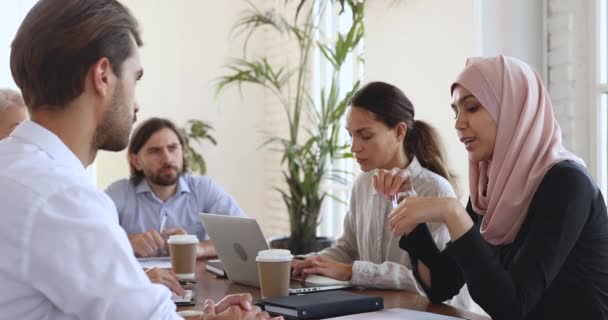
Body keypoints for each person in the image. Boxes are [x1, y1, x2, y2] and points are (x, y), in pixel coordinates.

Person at [0, 0, 278, 319]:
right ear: (103, 75)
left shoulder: (15, 168)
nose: (136, 105)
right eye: (136, 78)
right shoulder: (62, 199)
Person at [391, 55, 608, 319]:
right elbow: (441, 284)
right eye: (456, 111)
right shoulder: (491, 187)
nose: (459, 123)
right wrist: (410, 217)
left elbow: (512, 306)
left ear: (514, 109)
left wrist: (453, 213)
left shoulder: (567, 183)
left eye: (471, 108)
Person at [292, 81, 478, 312]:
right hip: (381, 311)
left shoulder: (435, 191)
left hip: (431, 313)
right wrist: (306, 262)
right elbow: (348, 249)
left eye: (365, 136)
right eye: (350, 135)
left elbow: (428, 281)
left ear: (399, 132)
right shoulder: (362, 184)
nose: (354, 147)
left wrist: (351, 272)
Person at [105, 117, 247, 258]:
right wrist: (128, 241)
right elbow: (87, 237)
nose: (167, 159)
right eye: (155, 151)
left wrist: (198, 249)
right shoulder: (119, 193)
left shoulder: (204, 189)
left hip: (193, 280)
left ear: (182, 152)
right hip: (140, 279)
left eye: (172, 148)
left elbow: (244, 236)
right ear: (136, 162)